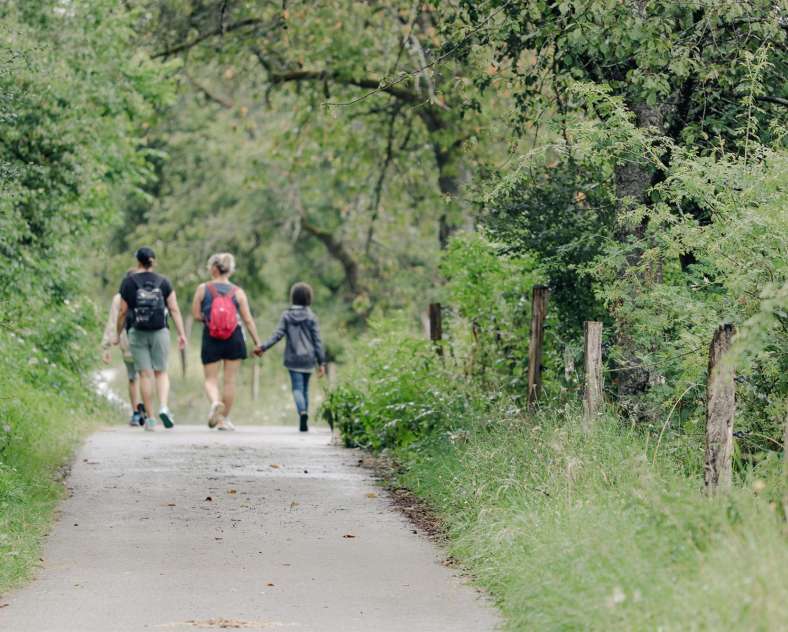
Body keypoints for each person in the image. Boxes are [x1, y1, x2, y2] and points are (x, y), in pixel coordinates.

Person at [114, 247, 187, 431]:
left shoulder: (128, 282)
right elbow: (174, 309)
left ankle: (151, 418)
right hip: (160, 331)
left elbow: (122, 311)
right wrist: (181, 333)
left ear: (137, 261)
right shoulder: (163, 281)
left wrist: (117, 333)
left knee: (145, 375)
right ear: (153, 261)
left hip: (137, 332)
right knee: (161, 372)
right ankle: (163, 406)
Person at [191, 253, 262, 431]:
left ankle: (215, 402)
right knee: (230, 381)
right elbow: (247, 319)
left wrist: (210, 320)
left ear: (213, 268)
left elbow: (196, 315)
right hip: (234, 337)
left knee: (210, 379)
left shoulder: (203, 288)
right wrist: (257, 342)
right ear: (230, 270)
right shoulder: (238, 292)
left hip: (211, 337)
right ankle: (223, 420)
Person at [256, 282, 326, 432]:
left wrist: (263, 347)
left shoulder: (287, 315)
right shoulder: (312, 317)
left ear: (293, 297)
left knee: (297, 389)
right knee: (305, 390)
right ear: (309, 298)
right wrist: (322, 362)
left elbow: (277, 335)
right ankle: (304, 416)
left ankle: (302, 412)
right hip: (309, 358)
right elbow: (317, 341)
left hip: (292, 358)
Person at [101, 270, 144, 426]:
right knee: (146, 376)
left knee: (133, 378)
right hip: (149, 342)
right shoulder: (150, 293)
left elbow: (113, 321)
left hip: (127, 343)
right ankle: (147, 410)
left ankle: (135, 413)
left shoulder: (119, 298)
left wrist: (106, 346)